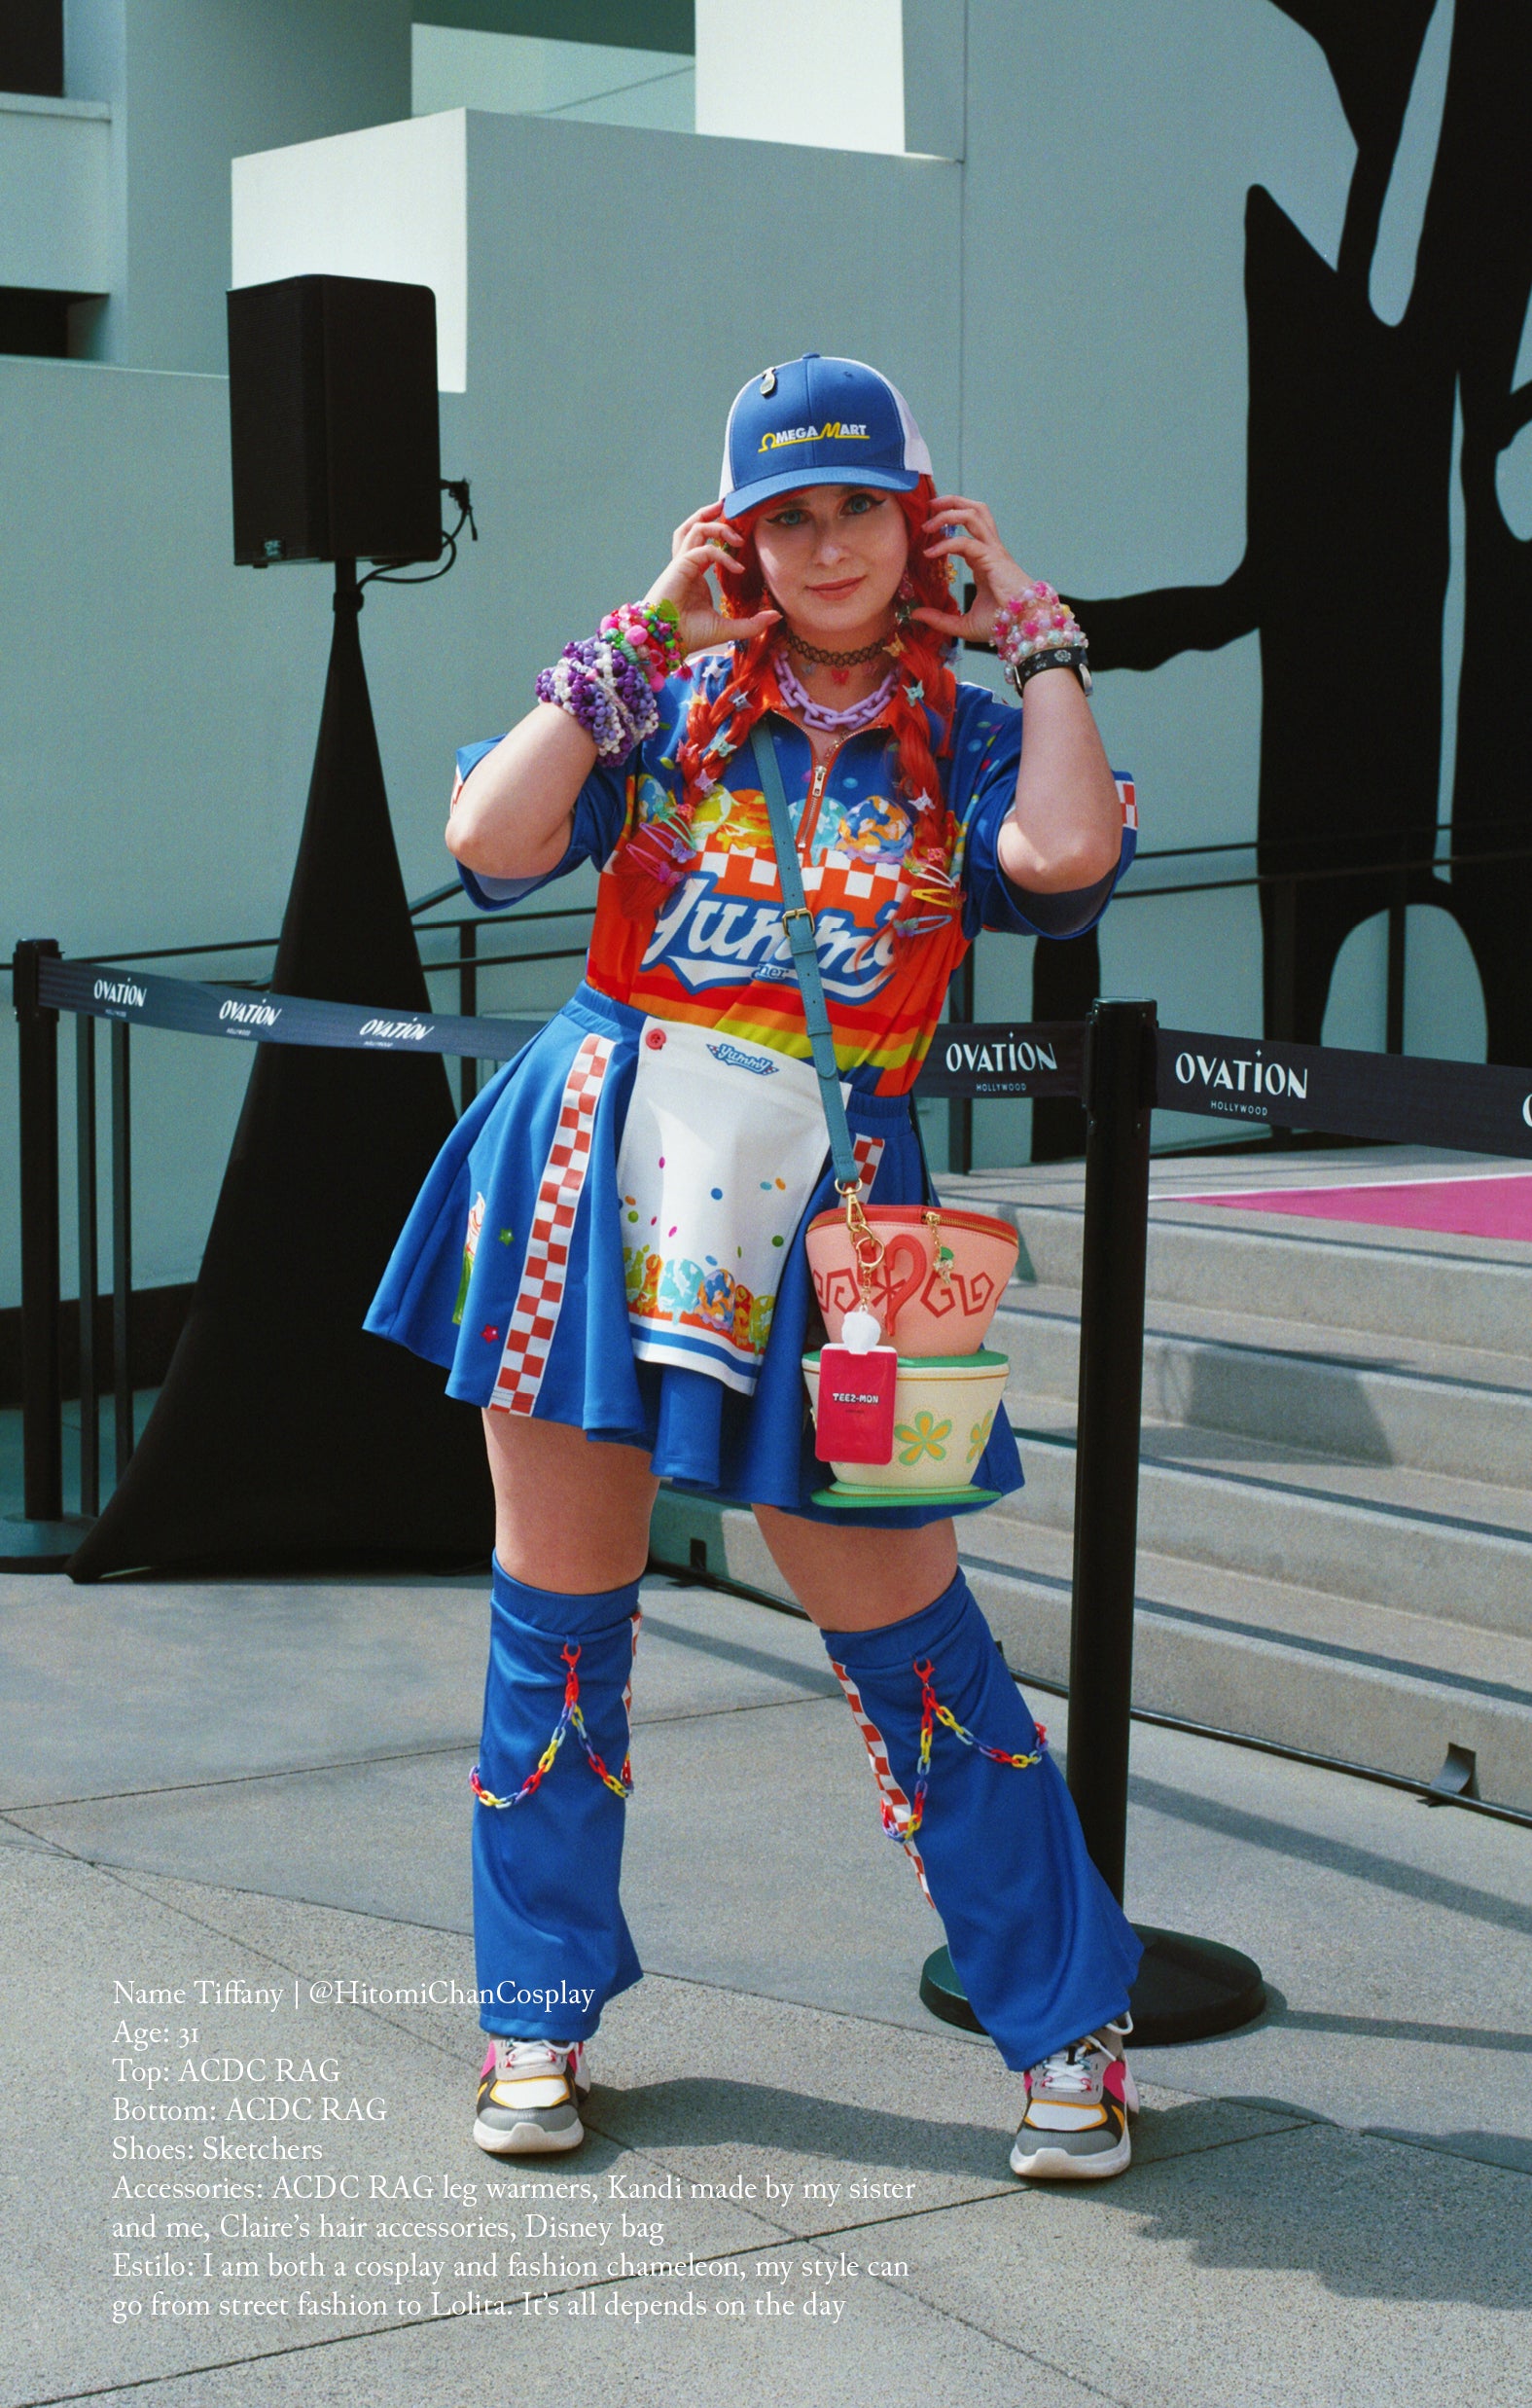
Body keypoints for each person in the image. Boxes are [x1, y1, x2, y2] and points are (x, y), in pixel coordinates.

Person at [368, 354, 1145, 2181]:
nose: (828, 543)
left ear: (923, 524)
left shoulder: (974, 737)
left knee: (915, 1641)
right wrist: (647, 621)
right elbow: (487, 841)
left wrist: (1041, 639)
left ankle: (1066, 2028)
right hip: (594, 1169)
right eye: (786, 514)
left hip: (842, 1222)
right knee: (557, 1620)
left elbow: (1064, 856)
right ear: (739, 536)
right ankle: (533, 2016)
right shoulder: (663, 703)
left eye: (861, 504)